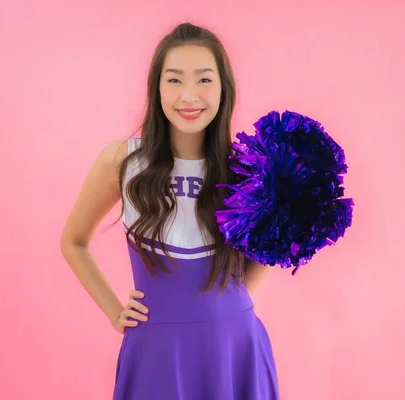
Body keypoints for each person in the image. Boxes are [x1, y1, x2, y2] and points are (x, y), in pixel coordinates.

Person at [60, 22, 279, 400]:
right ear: (157, 88)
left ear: (224, 89)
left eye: (205, 80)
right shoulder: (124, 160)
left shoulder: (246, 167)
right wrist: (115, 311)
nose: (189, 96)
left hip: (236, 348)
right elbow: (73, 241)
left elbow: (267, 253)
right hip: (156, 349)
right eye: (175, 80)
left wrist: (227, 307)